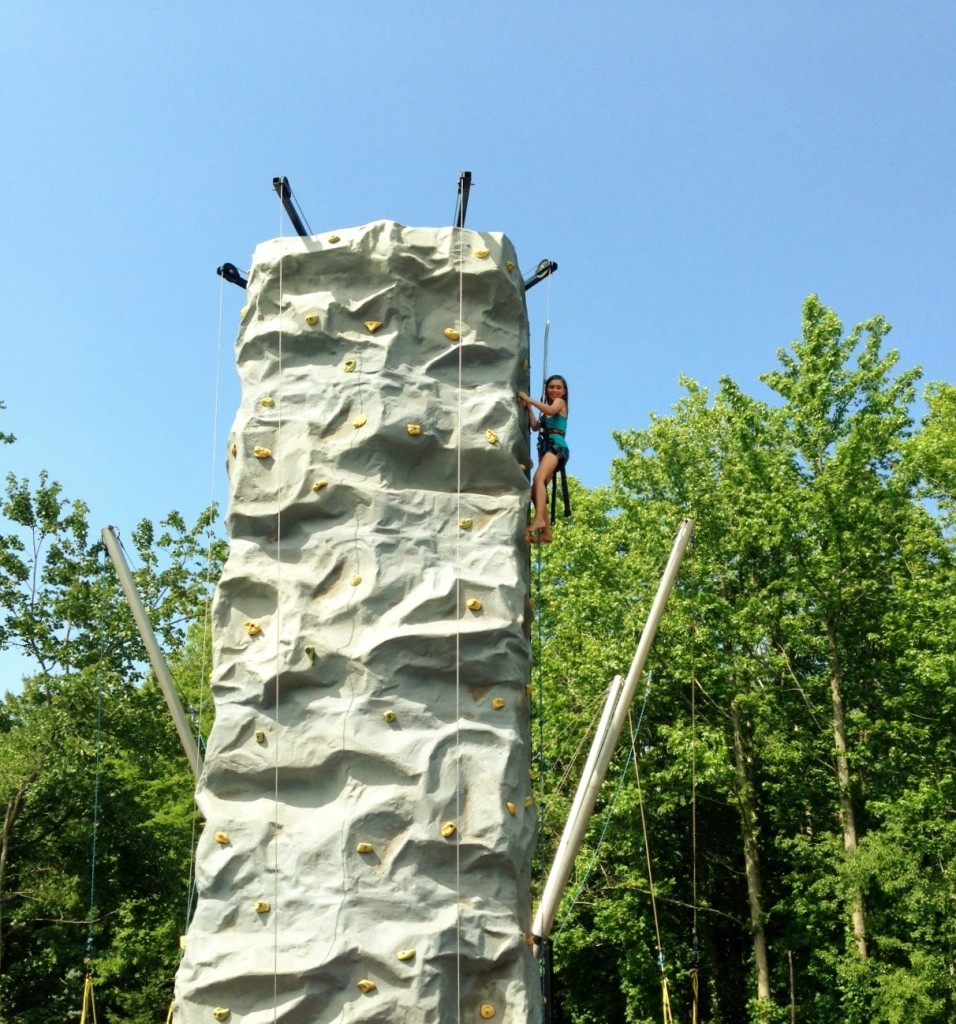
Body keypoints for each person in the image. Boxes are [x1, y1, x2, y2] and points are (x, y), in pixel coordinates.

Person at [517, 374, 569, 544]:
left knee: (538, 478)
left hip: (557, 448)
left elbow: (550, 410)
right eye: (551, 387)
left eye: (558, 387)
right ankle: (546, 534)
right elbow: (535, 426)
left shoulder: (559, 403)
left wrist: (529, 399)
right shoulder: (546, 410)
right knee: (535, 491)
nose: (554, 390)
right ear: (547, 389)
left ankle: (539, 519)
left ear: (564, 391)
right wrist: (528, 408)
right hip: (550, 449)